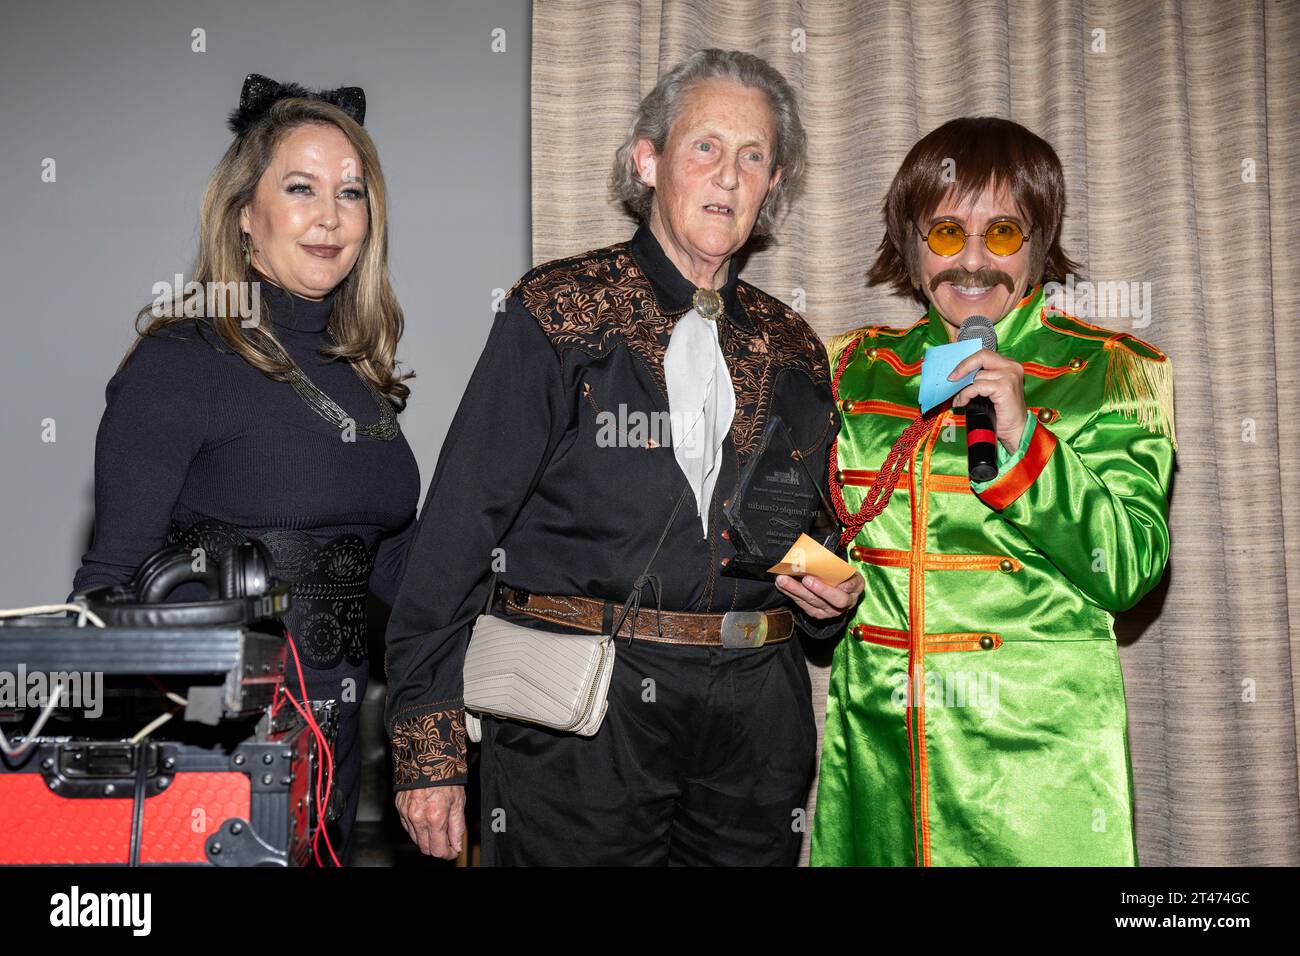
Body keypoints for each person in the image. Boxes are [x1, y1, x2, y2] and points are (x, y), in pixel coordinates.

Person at [384, 48, 864, 866]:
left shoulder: (796, 347)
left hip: (755, 728)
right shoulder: (556, 311)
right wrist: (428, 748)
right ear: (649, 160)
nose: (729, 175)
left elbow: (806, 530)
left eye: (754, 157)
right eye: (705, 146)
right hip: (581, 722)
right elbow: (458, 529)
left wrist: (836, 587)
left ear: (774, 183)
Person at [810, 116, 1176, 866]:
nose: (972, 262)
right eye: (946, 234)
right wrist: (812, 584)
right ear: (910, 250)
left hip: (1037, 771)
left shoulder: (1113, 373)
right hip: (881, 763)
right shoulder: (852, 368)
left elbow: (1133, 569)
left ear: (1040, 247)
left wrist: (1025, 442)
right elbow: (806, 518)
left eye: (1003, 233)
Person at [72, 75, 420, 865]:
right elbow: (107, 585)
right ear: (242, 218)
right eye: (300, 188)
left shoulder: (362, 377)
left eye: (351, 191)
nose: (331, 214)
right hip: (209, 755)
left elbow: (407, 573)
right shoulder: (180, 361)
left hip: (330, 752)